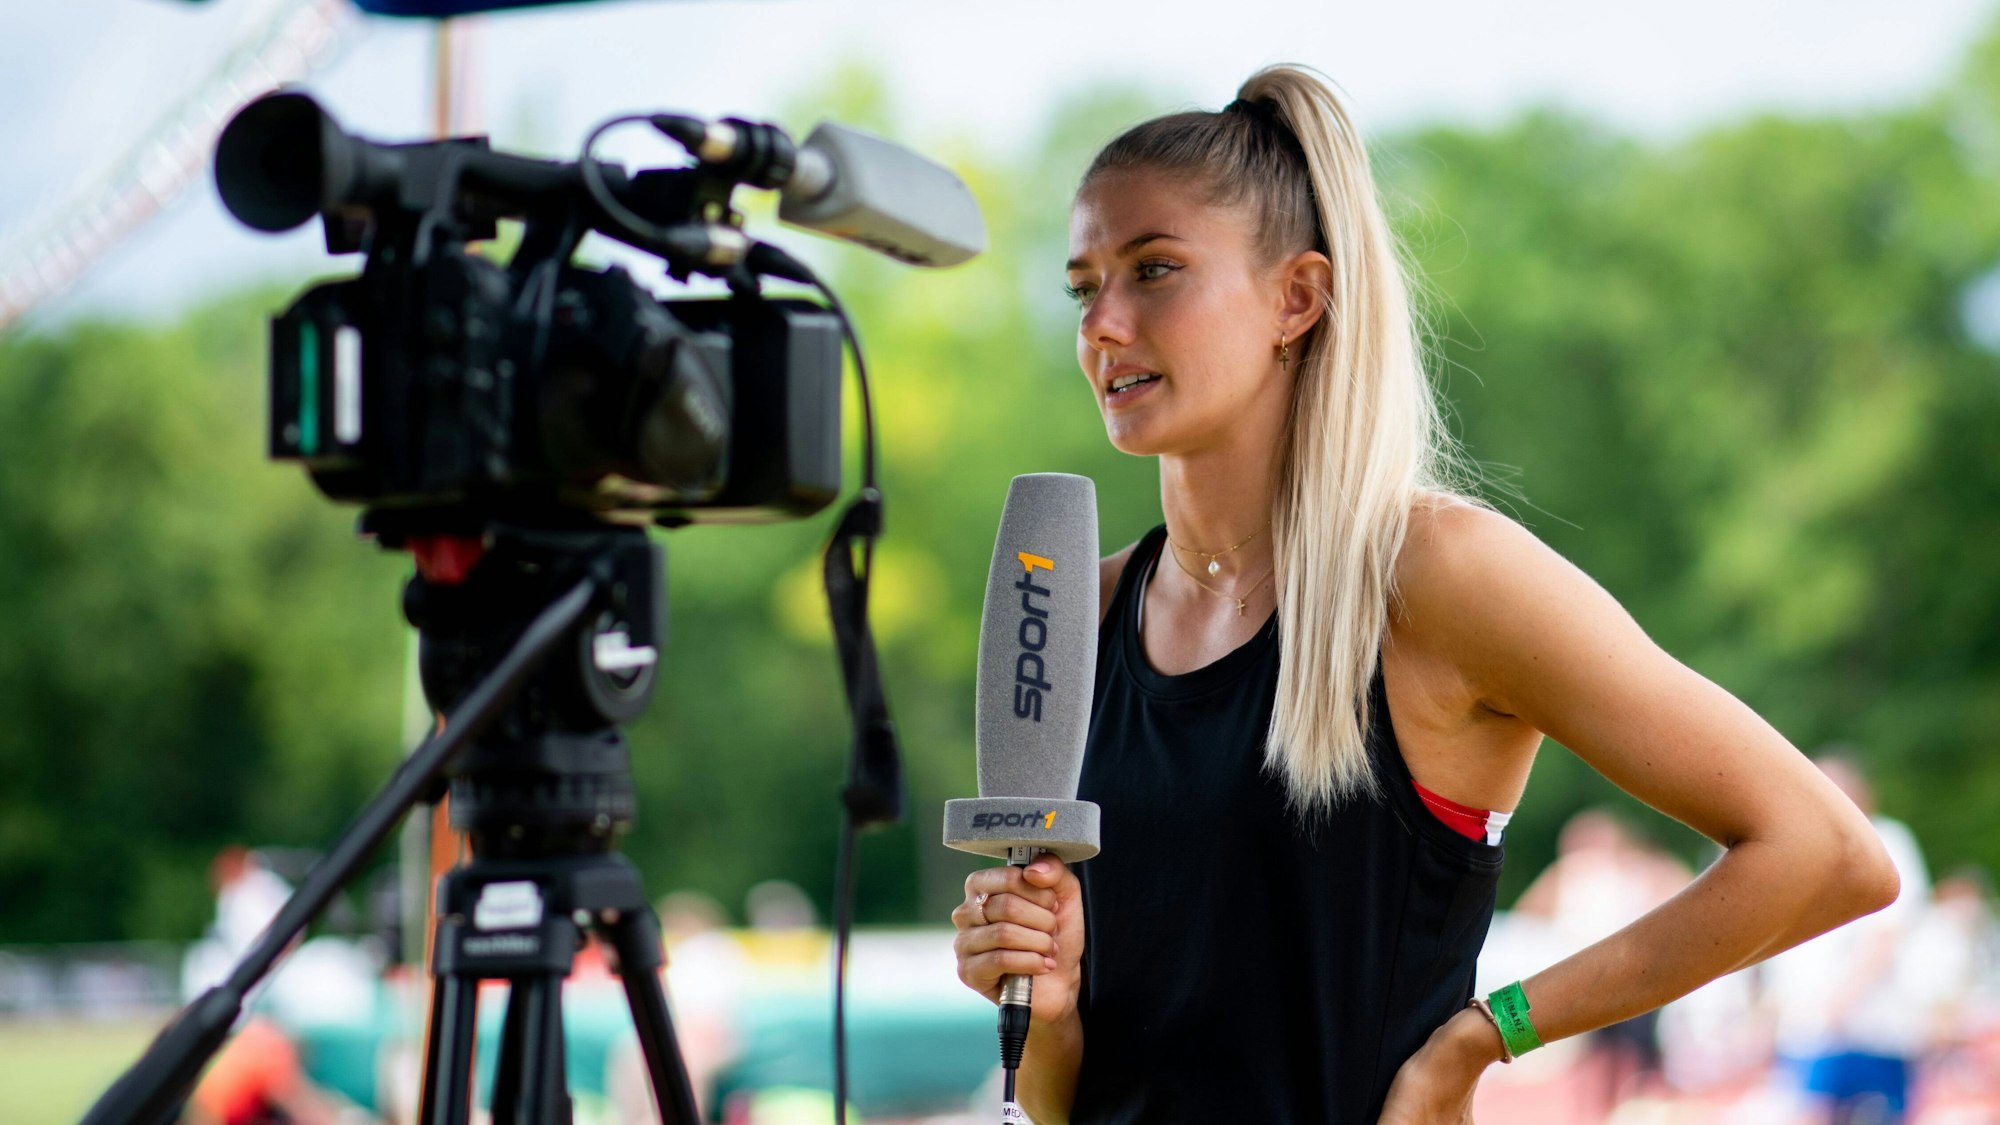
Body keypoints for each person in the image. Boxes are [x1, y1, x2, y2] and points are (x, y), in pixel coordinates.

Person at [947, 63, 1900, 1124]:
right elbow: (1063, 1096)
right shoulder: (1074, 611)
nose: (1102, 325)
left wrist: (1483, 1038)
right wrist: (1051, 1003)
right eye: (1083, 286)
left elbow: (1824, 853)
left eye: (1153, 271)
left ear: (1295, 298)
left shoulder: (1437, 579)